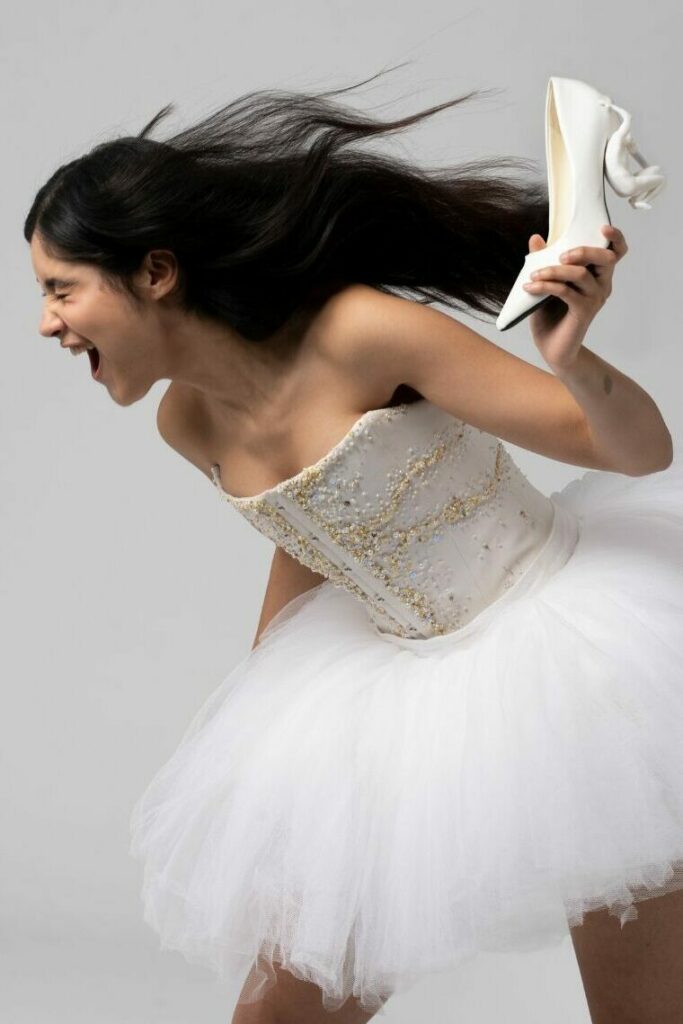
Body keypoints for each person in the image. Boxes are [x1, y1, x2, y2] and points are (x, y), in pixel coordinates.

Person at [26, 69, 683, 1024]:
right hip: (403, 704)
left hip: (585, 669)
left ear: (155, 274)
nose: (46, 322)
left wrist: (570, 359)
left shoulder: (359, 332)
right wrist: (260, 720)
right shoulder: (185, 423)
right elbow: (313, 528)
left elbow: (639, 452)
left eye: (61, 289)